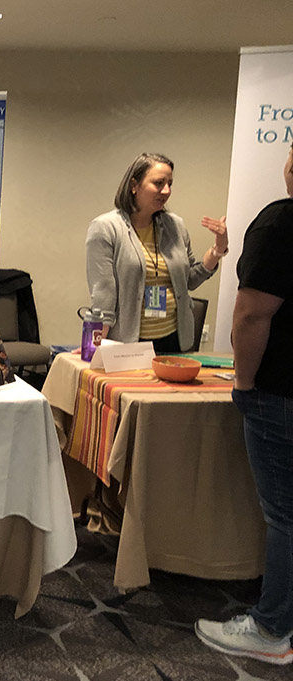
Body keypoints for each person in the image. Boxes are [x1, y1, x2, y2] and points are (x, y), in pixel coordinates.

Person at [196, 142, 293, 666]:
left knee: (286, 516)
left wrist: (245, 385)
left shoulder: (279, 224)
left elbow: (253, 317)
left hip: (280, 393)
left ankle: (272, 629)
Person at [85, 153, 228, 352]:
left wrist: (217, 250)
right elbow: (103, 294)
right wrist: (95, 346)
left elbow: (189, 281)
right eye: (159, 183)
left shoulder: (175, 225)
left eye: (170, 183)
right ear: (134, 185)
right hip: (129, 343)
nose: (167, 190)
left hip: (175, 339)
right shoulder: (105, 228)